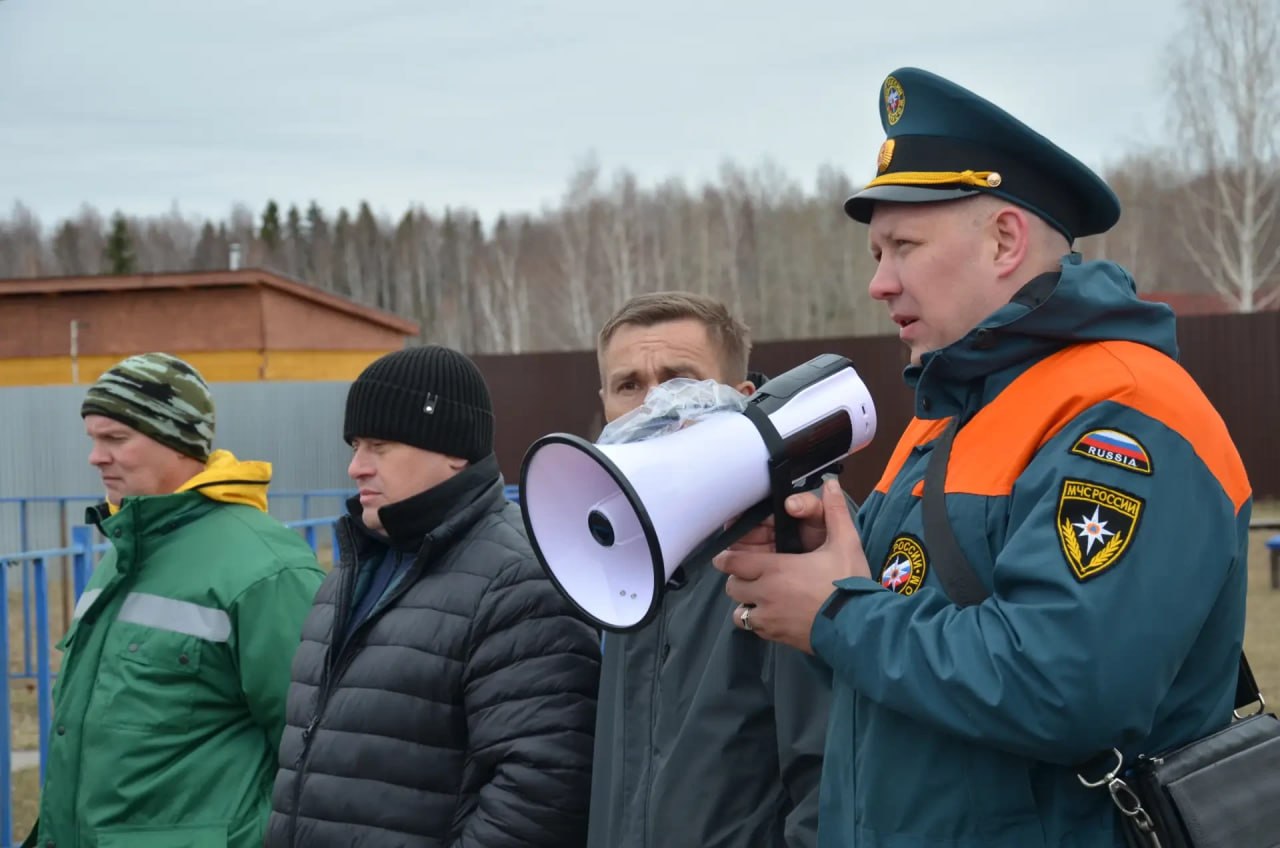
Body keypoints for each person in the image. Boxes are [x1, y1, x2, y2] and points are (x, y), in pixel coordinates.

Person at [715, 67, 1251, 847]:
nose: (877, 281)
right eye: (876, 250)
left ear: (1004, 240)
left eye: (903, 245)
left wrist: (840, 613)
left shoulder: (1129, 410)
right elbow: (892, 668)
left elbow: (1068, 685)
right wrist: (815, 576)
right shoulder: (942, 419)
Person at [266, 344, 600, 848]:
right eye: (355, 444)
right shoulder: (353, 569)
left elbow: (544, 788)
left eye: (380, 446)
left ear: (453, 452)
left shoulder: (518, 580)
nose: (357, 466)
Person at [28, 352, 324, 848]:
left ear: (179, 442)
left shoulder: (265, 567)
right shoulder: (124, 552)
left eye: (116, 439)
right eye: (94, 439)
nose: (95, 456)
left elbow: (316, 755)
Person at [588, 292, 830, 848]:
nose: (655, 406)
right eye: (629, 386)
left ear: (742, 398)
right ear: (604, 403)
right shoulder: (612, 553)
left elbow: (831, 779)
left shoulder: (797, 534)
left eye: (680, 380)